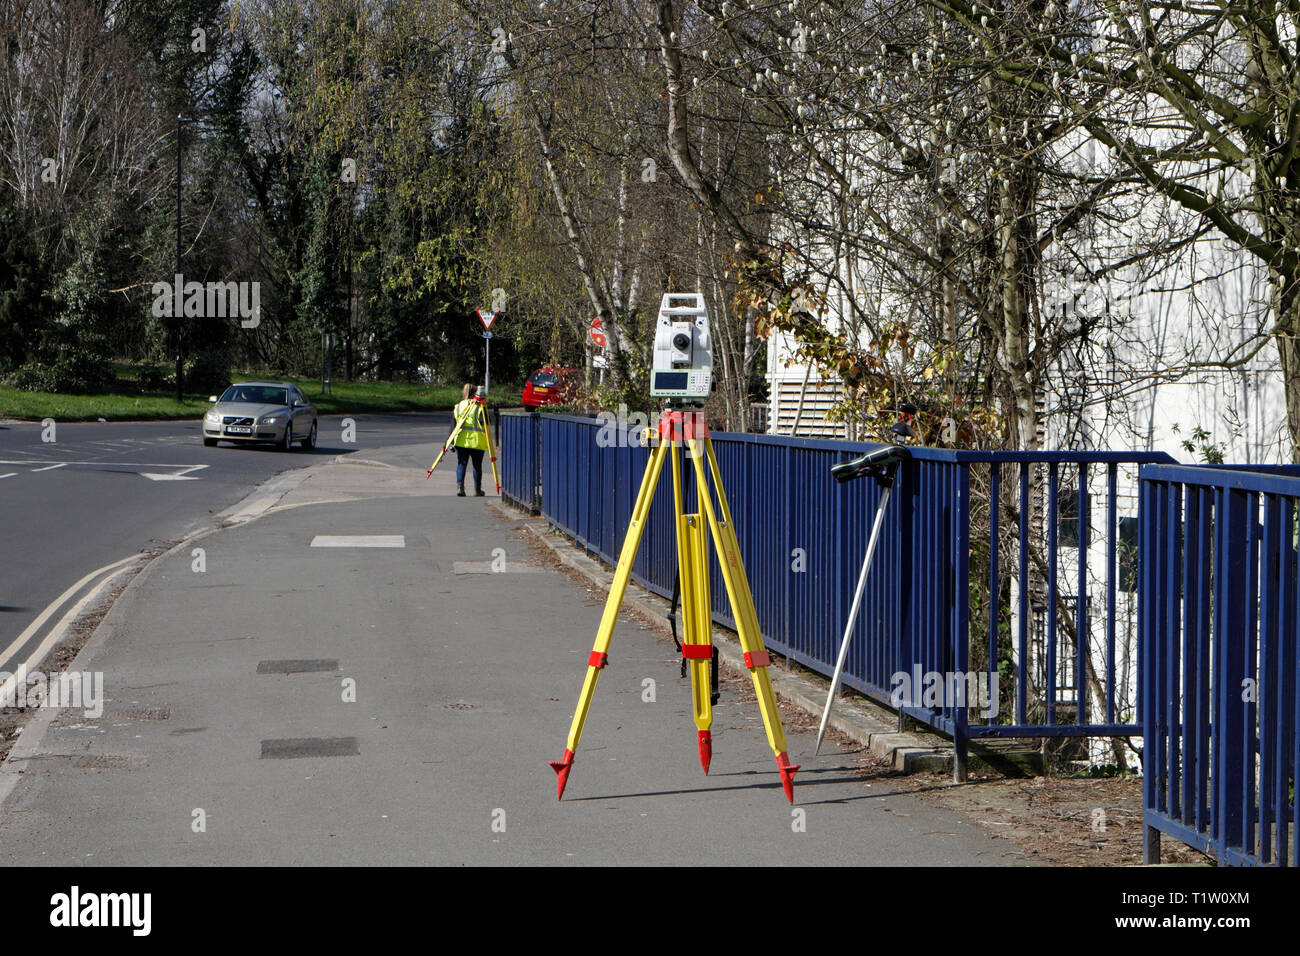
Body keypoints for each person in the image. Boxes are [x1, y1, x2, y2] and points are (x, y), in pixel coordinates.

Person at [450, 383, 488, 497]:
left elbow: (453, 426)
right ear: (475, 393)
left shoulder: (458, 406)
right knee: (477, 466)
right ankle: (477, 490)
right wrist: (484, 406)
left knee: (461, 464)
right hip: (477, 442)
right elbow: (485, 422)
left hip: (462, 441)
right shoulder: (479, 407)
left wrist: (450, 442)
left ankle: (460, 488)